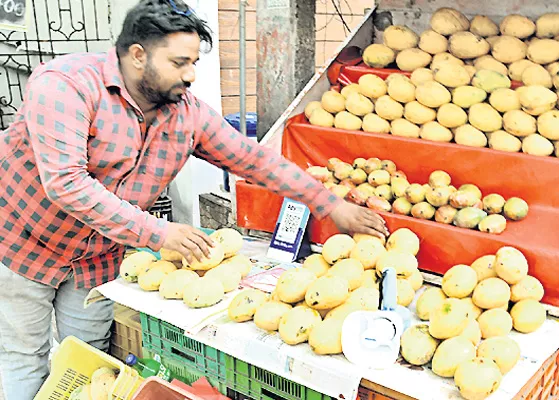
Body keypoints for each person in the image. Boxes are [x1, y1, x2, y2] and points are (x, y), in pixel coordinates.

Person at [0, 0, 387, 398]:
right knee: (23, 356)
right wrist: (159, 233)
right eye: (180, 63)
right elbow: (67, 184)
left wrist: (329, 203)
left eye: (194, 62)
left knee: (88, 358)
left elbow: (254, 160)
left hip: (99, 256)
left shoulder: (186, 113)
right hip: (25, 243)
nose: (191, 75)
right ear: (138, 56)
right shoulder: (66, 85)